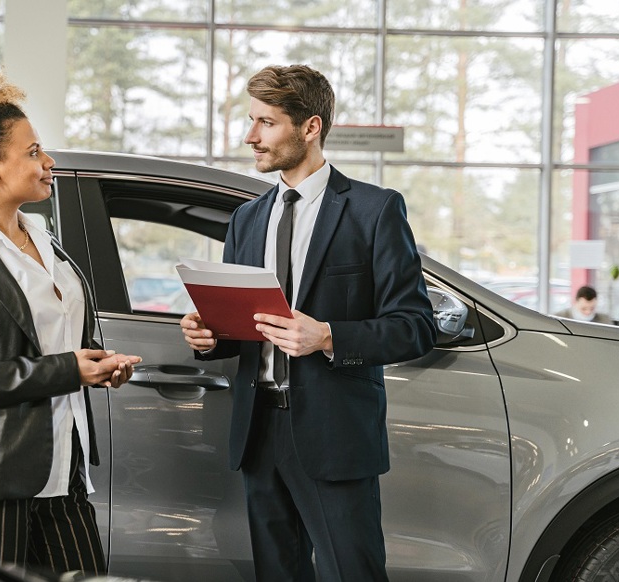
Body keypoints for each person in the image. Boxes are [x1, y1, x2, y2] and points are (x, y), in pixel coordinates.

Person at [181, 64, 436, 581]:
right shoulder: (247, 219)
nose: (250, 137)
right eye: (251, 121)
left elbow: (416, 325)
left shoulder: (374, 210)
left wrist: (329, 337)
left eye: (266, 123)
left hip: (333, 434)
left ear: (310, 126)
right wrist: (208, 336)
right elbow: (241, 330)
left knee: (353, 574)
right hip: (259, 431)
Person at [0, 58, 140, 575]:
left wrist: (98, 367)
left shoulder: (46, 243)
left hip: (66, 469)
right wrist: (67, 370)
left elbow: (56, 340)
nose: (48, 161)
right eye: (33, 152)